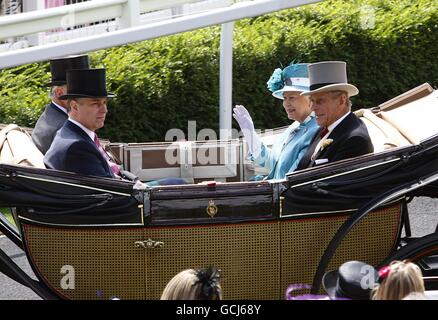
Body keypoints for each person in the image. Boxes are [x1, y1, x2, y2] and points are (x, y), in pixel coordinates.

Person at [233, 62, 319, 180]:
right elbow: (271, 165)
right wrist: (250, 135)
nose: (286, 104)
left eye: (292, 98)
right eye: (285, 98)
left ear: (310, 99)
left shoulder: (317, 130)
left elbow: (292, 178)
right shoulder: (293, 127)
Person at [296, 61, 374, 170]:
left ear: (342, 100)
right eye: (312, 101)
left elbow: (331, 185)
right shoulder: (324, 129)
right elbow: (301, 170)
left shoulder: (355, 140)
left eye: (320, 101)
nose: (313, 107)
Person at [44, 68, 120, 178]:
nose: (105, 110)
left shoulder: (70, 133)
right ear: (74, 107)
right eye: (95, 103)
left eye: (104, 103)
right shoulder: (77, 147)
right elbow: (110, 191)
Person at [32, 55, 90, 154]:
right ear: (59, 93)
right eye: (78, 89)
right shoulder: (65, 128)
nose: (87, 95)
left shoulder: (50, 112)